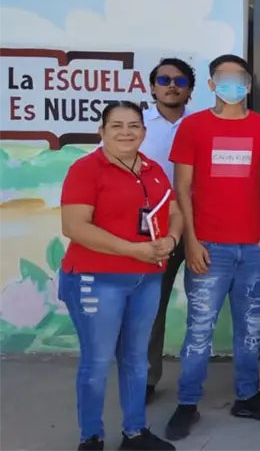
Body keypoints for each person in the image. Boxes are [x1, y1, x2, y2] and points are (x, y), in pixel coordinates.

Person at [164, 54, 260, 441]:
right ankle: (187, 403)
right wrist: (191, 240)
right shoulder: (193, 127)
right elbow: (182, 188)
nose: (232, 85)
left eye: (240, 79)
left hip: (254, 248)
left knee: (250, 330)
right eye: (224, 78)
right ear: (212, 84)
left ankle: (247, 396)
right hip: (209, 247)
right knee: (199, 330)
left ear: (248, 86)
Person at [60, 101, 182, 451]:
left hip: (146, 279)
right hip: (97, 279)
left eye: (133, 126)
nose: (126, 132)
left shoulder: (153, 170)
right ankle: (91, 437)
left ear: (144, 131)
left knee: (136, 359)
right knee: (97, 362)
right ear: (102, 132)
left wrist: (172, 239)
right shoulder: (86, 169)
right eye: (116, 126)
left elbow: (174, 212)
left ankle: (135, 432)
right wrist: (132, 250)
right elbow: (74, 226)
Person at [142, 59, 196, 404]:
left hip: (201, 221)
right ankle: (147, 378)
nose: (172, 85)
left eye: (179, 80)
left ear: (190, 89)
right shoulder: (137, 125)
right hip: (155, 226)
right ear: (153, 87)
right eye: (164, 80)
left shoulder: (202, 124)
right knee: (152, 303)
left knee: (235, 283)